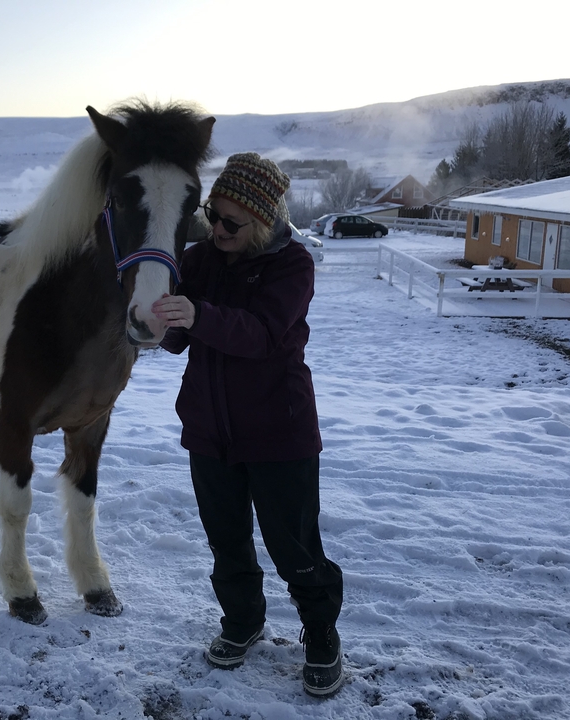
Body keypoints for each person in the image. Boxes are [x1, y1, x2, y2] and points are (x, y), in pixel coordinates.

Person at [151, 153, 345, 698]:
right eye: (213, 215)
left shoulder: (292, 266)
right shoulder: (200, 259)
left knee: (295, 546)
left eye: (231, 223)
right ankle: (243, 619)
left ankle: (322, 633)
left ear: (262, 221)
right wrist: (158, 322)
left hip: (278, 433)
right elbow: (178, 339)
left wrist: (198, 315)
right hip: (208, 429)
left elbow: (262, 334)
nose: (216, 229)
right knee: (227, 541)